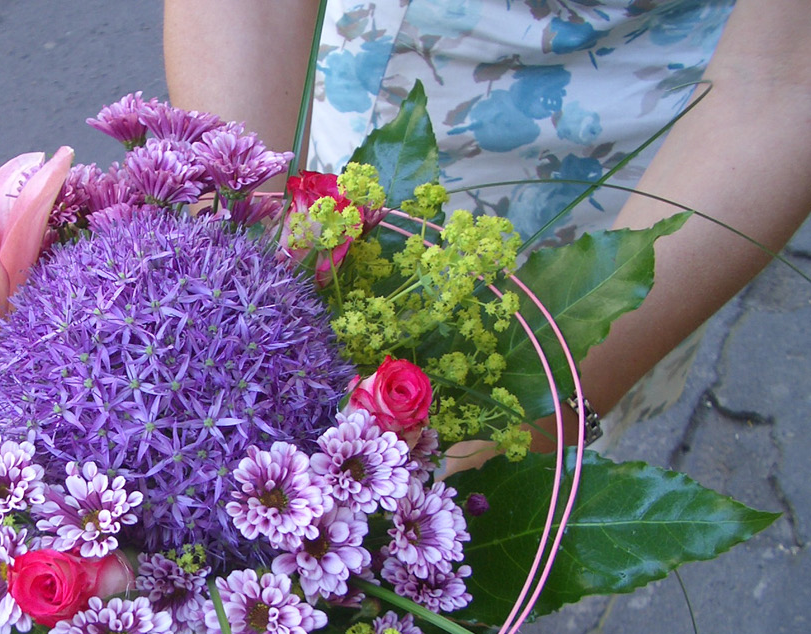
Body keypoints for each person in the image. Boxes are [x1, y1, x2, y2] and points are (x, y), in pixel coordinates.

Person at [163, 0, 811, 452]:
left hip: (657, 165)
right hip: (353, 85)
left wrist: (544, 413)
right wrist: (230, 253)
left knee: (497, 523)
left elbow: (782, 76)